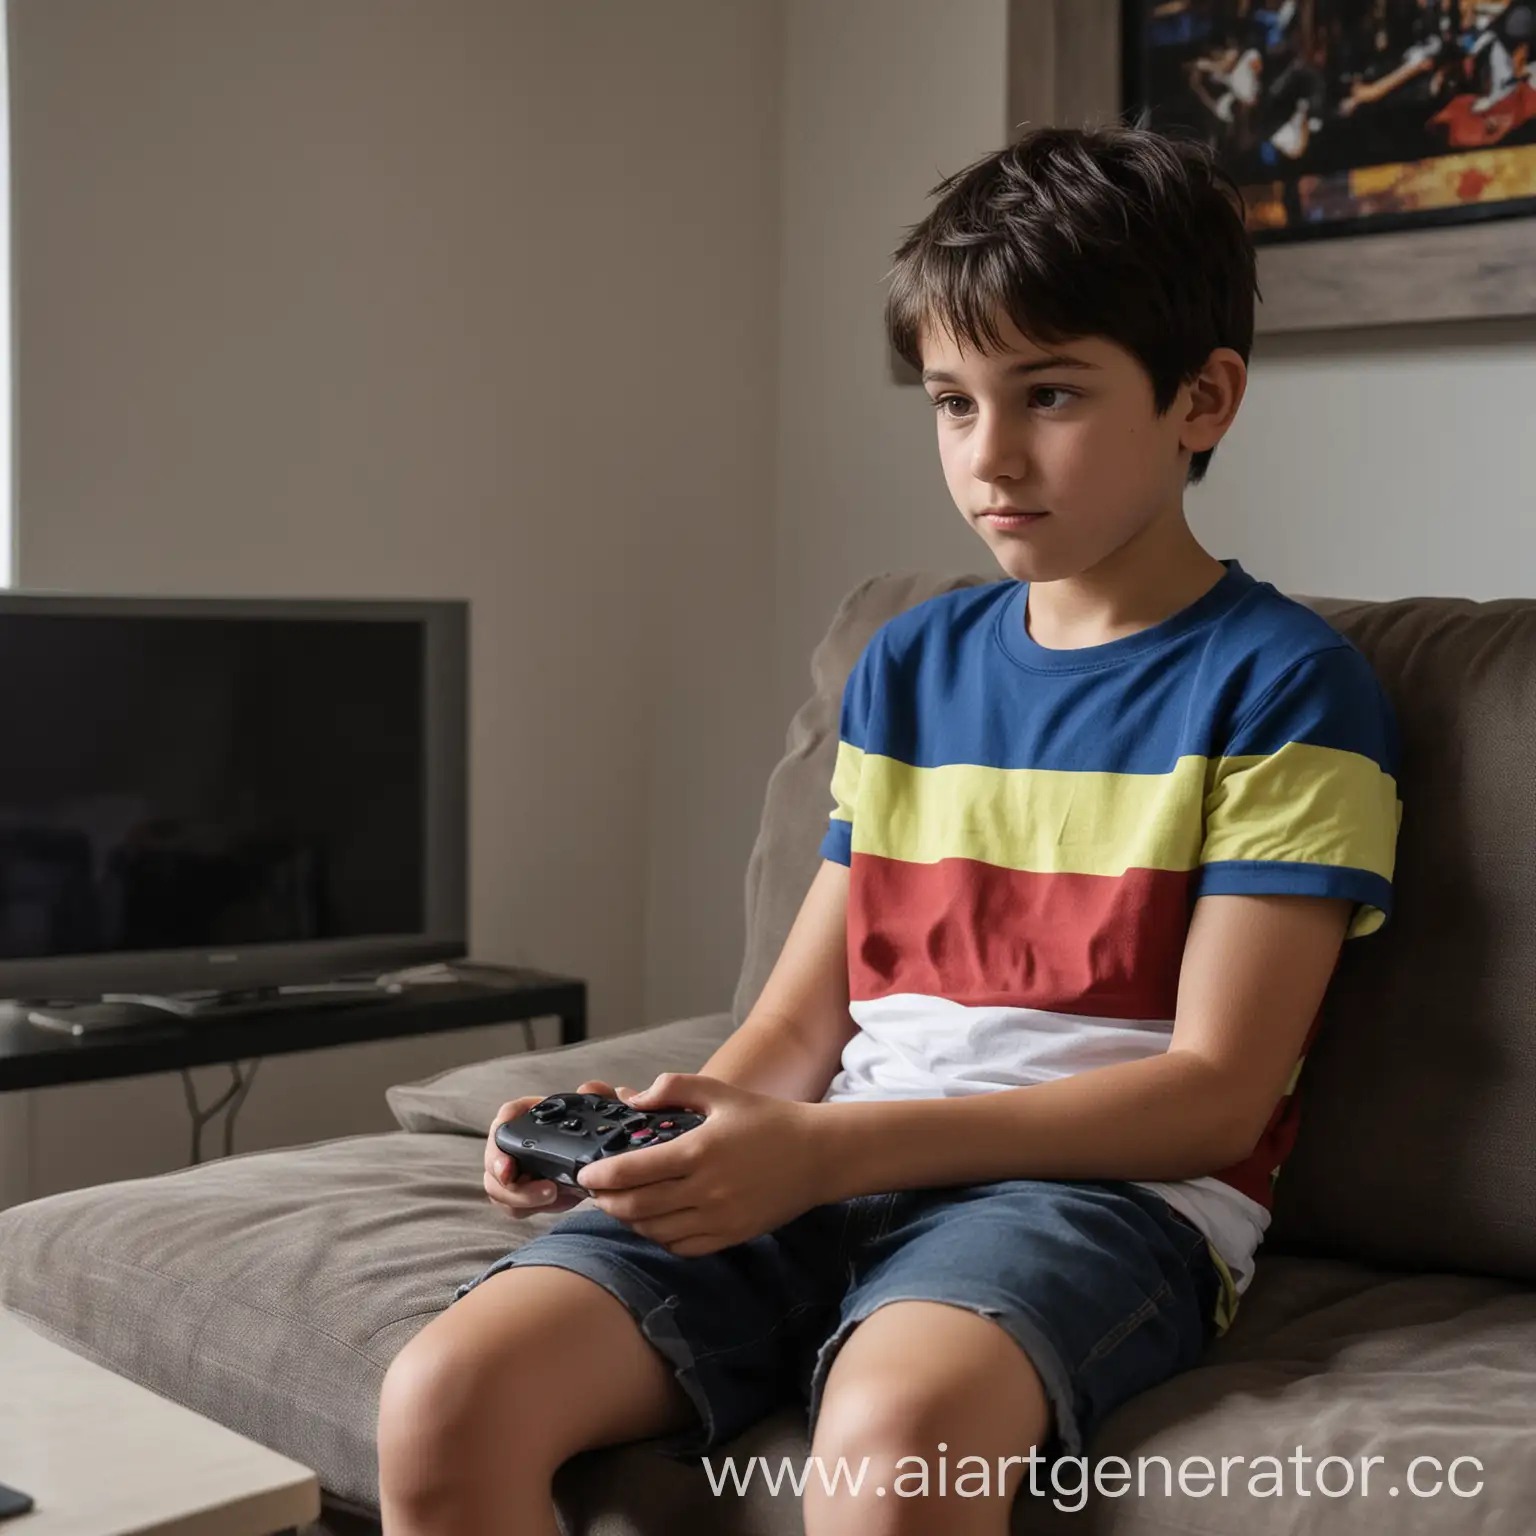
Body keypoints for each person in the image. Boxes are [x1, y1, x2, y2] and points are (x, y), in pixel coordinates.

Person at [375, 124, 1403, 1536]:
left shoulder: (1287, 685)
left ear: (1202, 399)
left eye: (1049, 394)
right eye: (950, 402)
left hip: (1095, 1202)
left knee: (896, 1436)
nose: (992, 456)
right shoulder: (910, 664)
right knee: (445, 1395)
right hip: (833, 1162)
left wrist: (823, 1157)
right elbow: (800, 1028)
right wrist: (658, 1143)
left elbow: (1218, 1096)